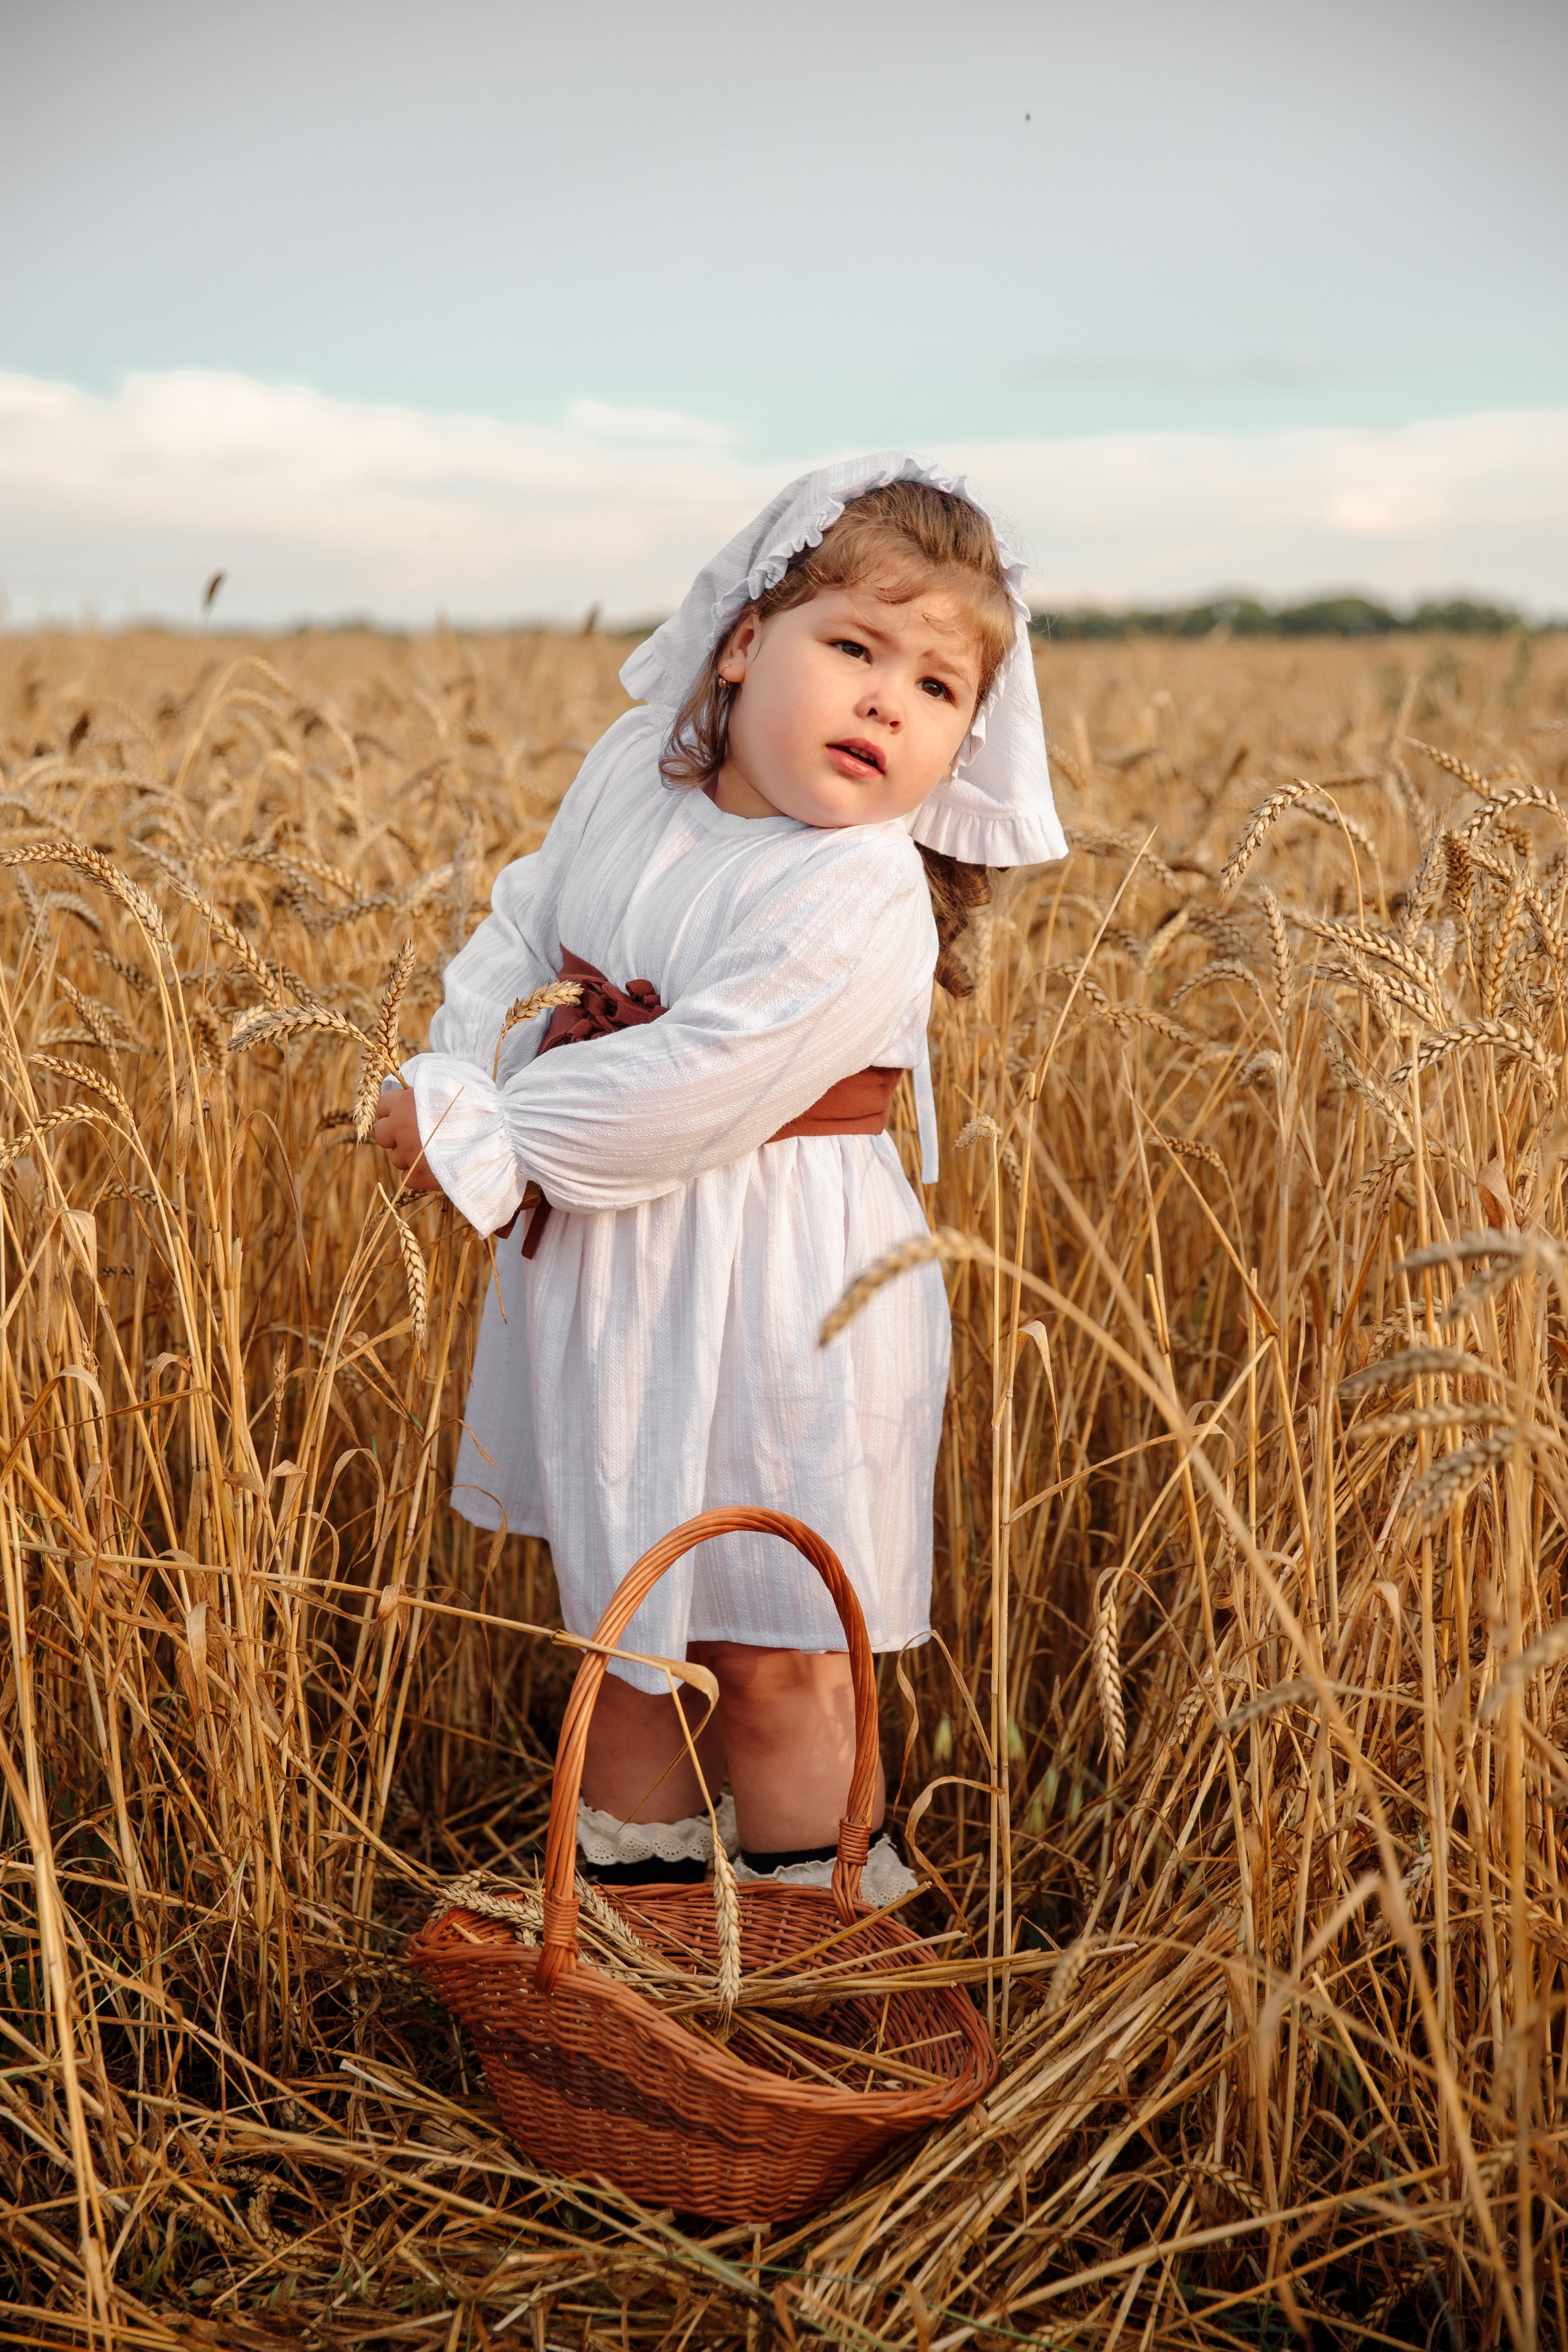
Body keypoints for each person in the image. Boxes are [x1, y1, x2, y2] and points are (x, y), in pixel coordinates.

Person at [375, 455, 1065, 1899]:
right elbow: (521, 930)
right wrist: (458, 1070)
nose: (888, 700)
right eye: (854, 647)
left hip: (790, 1297)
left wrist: (487, 1136)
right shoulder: (632, 776)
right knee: (633, 1639)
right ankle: (645, 1970)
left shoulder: (858, 889)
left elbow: (689, 1085)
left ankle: (818, 1977)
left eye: (938, 690)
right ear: (745, 642)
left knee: (771, 1653)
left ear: (965, 743)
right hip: (619, 1274)